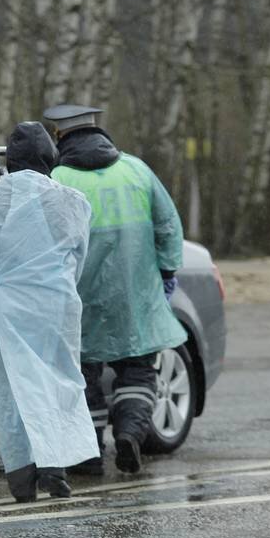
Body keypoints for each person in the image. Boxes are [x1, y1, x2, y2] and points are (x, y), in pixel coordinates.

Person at [44, 104, 187, 475]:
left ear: (60, 137)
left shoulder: (57, 178)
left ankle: (88, 453)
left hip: (79, 297)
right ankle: (129, 434)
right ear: (99, 132)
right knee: (138, 370)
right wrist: (167, 269)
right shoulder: (135, 169)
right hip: (135, 294)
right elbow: (169, 225)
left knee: (81, 374)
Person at [0, 122, 99, 502]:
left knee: (10, 388)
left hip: (5, 305)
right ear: (49, 158)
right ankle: (54, 465)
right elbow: (79, 256)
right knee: (57, 380)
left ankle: (21, 475)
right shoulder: (72, 201)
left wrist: (0, 280)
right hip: (55, 303)